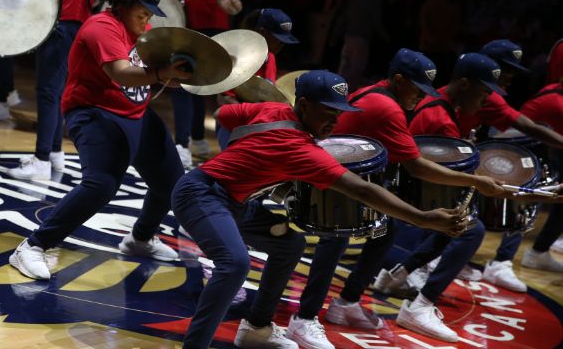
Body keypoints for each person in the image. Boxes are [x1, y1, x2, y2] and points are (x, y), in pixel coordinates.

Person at [172, 70, 467, 349]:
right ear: (303, 104)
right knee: (235, 263)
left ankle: (256, 328)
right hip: (201, 195)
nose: (334, 122)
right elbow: (363, 189)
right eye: (327, 112)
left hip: (233, 201)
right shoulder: (300, 149)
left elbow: (224, 114)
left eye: (338, 114)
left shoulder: (275, 111)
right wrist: (424, 218)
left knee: (289, 244)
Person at [288, 49, 504, 348]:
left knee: (383, 228)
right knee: (334, 236)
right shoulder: (387, 108)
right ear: (399, 80)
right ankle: (304, 319)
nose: (421, 96)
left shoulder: (375, 91)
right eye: (417, 89)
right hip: (325, 178)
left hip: (343, 173)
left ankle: (346, 302)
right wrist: (475, 180)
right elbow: (415, 165)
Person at [8, 0, 192, 279]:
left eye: (150, 13)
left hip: (135, 113)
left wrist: (175, 75)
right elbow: (121, 73)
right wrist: (160, 73)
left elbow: (152, 74)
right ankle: (32, 246)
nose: (146, 19)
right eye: (142, 11)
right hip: (93, 113)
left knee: (171, 182)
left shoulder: (141, 31)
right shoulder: (101, 27)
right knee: (102, 184)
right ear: (122, 3)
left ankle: (140, 239)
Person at [373, 53, 511, 343]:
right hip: (407, 191)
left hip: (406, 185)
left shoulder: (442, 107)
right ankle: (421, 305)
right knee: (471, 229)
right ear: (464, 83)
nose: (487, 100)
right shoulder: (442, 119)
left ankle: (397, 274)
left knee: (459, 222)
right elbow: (428, 173)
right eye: (484, 92)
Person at [6, 0, 126, 180]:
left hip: (68, 29)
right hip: (63, 28)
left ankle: (41, 160)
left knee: (48, 93)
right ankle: (55, 153)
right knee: (56, 94)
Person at [458, 40, 563, 290]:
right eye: (507, 69)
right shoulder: (553, 99)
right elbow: (526, 126)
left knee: (535, 184)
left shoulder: (491, 96)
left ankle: (501, 261)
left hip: (497, 144)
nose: (511, 76)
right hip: (495, 146)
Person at [171, 0, 242, 167]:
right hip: (201, 36)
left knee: (181, 86)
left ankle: (182, 146)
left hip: (207, 36)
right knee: (195, 91)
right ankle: (198, 141)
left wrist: (229, 4)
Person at [215, 8, 299, 150]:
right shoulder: (237, 56)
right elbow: (224, 99)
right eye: (278, 39)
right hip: (234, 123)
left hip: (256, 123)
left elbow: (268, 92)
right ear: (262, 32)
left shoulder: (270, 57)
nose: (281, 45)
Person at [517, 42, 563, 272]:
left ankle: (538, 251)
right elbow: (519, 125)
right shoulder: (551, 98)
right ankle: (509, 259)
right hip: (541, 157)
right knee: (524, 202)